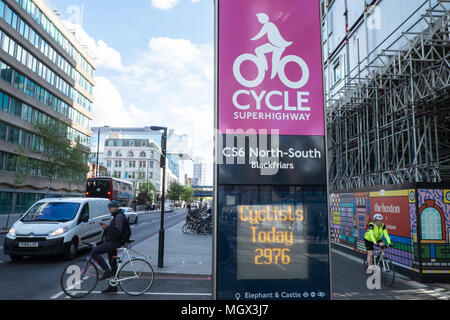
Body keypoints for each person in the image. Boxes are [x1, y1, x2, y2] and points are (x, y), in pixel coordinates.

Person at [90, 200, 127, 293]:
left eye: (110, 208)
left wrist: (107, 228)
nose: (109, 210)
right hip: (114, 241)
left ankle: (106, 270)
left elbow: (117, 231)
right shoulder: (117, 216)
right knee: (113, 265)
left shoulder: (119, 217)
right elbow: (114, 230)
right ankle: (113, 287)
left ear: (115, 208)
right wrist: (106, 228)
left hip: (115, 242)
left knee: (94, 251)